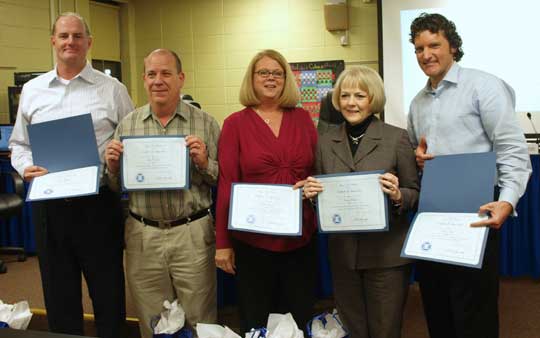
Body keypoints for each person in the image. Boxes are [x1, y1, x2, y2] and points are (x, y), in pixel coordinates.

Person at [8, 12, 133, 338]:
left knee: (108, 293)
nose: (70, 42)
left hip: (97, 205)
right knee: (58, 293)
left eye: (77, 36)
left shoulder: (113, 90)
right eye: (63, 36)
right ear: (53, 41)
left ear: (88, 43)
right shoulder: (33, 91)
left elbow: (131, 139)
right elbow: (19, 145)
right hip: (50, 208)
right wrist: (25, 167)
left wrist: (117, 158)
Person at [407, 13, 532, 338]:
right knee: (437, 308)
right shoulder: (417, 102)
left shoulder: (484, 86)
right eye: (419, 48)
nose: (426, 54)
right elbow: (415, 151)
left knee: (474, 312)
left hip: (476, 214)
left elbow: (512, 150)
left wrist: (507, 201)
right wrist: (417, 158)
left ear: (453, 46)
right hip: (433, 216)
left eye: (434, 45)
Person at [105, 48, 220, 338]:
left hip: (192, 231)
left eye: (166, 73)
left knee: (201, 319)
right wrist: (113, 167)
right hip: (143, 234)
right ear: (143, 79)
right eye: (152, 74)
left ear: (181, 79)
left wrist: (205, 163)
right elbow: (115, 187)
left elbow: (222, 180)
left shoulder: (206, 123)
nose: (159, 80)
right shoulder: (128, 124)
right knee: (152, 320)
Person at [303, 66, 419, 338]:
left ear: (373, 99)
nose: (351, 103)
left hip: (386, 255)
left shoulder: (396, 137)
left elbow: (415, 191)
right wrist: (311, 196)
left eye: (359, 95)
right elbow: (322, 198)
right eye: (345, 96)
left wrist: (399, 194)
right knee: (353, 330)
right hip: (343, 255)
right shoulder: (324, 141)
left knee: (385, 330)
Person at [214, 49, 318, 332]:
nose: (271, 78)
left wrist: (313, 186)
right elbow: (227, 184)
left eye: (277, 73)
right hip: (253, 242)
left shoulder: (303, 119)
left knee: (299, 317)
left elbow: (316, 172)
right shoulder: (235, 124)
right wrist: (222, 242)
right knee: (256, 319)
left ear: (285, 80)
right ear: (252, 78)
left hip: (300, 239)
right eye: (264, 72)